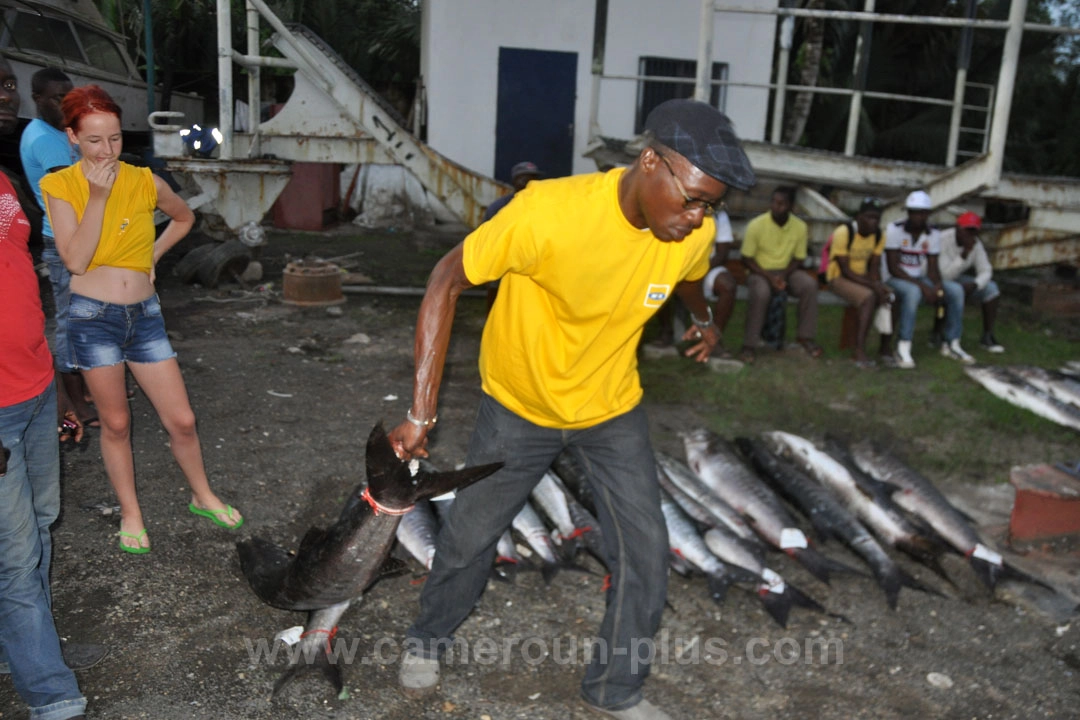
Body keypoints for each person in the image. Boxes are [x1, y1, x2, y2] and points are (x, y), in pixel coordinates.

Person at [388, 98, 755, 720]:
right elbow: (446, 280)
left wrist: (704, 319)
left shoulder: (695, 230)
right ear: (649, 163)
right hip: (519, 406)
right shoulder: (548, 213)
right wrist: (421, 414)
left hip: (611, 408)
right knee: (472, 535)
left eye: (710, 206)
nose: (698, 218)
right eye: (691, 198)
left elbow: (691, 274)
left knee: (645, 546)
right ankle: (427, 640)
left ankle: (615, 690)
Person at [41, 85, 243, 554]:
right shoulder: (60, 186)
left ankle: (202, 494)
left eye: (114, 139)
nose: (107, 150)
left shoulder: (143, 179)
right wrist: (95, 197)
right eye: (93, 140)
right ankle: (131, 514)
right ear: (71, 137)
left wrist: (151, 253)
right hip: (93, 319)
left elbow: (183, 217)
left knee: (183, 420)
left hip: (145, 316)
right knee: (115, 424)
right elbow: (75, 261)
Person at [0, 57, 99, 720]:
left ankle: (20, 648)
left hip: (34, 391)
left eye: (7, 82)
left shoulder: (5, 182)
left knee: (38, 524)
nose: (6, 91)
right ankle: (49, 692)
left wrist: (61, 393)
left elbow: (25, 286)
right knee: (17, 555)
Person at [18, 68, 100, 427]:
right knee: (71, 319)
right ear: (37, 99)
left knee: (88, 314)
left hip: (75, 236)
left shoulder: (52, 131)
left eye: (69, 97)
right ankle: (75, 400)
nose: (66, 104)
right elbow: (74, 190)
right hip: (66, 240)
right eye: (56, 98)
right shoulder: (46, 139)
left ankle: (86, 389)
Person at [883, 190, 973, 369]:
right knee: (914, 292)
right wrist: (923, 287)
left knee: (955, 290)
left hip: (919, 278)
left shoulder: (933, 234)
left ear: (928, 214)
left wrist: (937, 287)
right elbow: (894, 267)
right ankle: (903, 345)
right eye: (914, 212)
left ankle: (952, 343)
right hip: (894, 278)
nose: (918, 217)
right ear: (908, 213)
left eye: (922, 213)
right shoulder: (894, 229)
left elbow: (932, 268)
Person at [738, 186, 821, 363]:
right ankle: (749, 345)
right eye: (774, 202)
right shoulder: (757, 225)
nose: (776, 207)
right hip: (759, 271)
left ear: (791, 206)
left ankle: (805, 337)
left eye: (782, 204)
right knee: (762, 293)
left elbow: (799, 258)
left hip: (786, 271)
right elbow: (746, 258)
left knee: (809, 285)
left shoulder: (799, 227)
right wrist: (770, 278)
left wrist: (782, 276)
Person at [651, 208, 736, 355]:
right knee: (660, 280)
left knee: (727, 284)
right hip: (676, 266)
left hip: (708, 266)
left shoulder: (719, 216)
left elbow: (722, 253)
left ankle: (714, 337)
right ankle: (666, 331)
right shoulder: (675, 208)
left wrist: (699, 271)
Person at [824, 197, 892, 367]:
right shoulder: (844, 232)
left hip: (862, 278)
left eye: (877, 218)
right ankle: (859, 351)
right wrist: (873, 286)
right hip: (838, 277)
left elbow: (875, 267)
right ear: (859, 216)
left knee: (891, 297)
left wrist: (878, 285)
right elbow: (845, 271)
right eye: (869, 217)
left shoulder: (879, 235)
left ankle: (885, 347)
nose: (873, 222)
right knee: (869, 297)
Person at [937, 211, 1005, 353]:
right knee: (955, 290)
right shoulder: (943, 239)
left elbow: (986, 270)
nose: (970, 235)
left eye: (974, 231)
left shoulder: (976, 244)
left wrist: (976, 284)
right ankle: (946, 335)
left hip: (958, 279)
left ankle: (987, 336)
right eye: (967, 230)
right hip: (937, 279)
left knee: (992, 289)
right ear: (957, 228)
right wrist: (964, 255)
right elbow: (945, 275)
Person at [481, 161, 543, 310]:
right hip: (504, 261)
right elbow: (485, 237)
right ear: (514, 181)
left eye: (534, 179)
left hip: (534, 263)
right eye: (524, 179)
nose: (530, 183)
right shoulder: (499, 207)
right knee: (496, 294)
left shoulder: (544, 205)